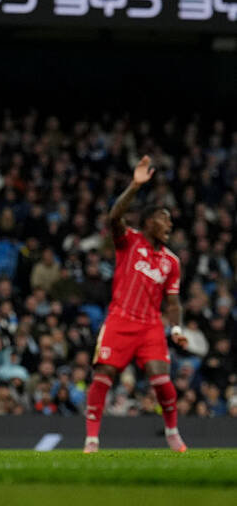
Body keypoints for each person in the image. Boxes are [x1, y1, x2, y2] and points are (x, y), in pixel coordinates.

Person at [84, 155, 188, 453]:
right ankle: (92, 440)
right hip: (119, 319)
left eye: (170, 219)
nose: (169, 223)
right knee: (103, 376)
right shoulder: (129, 241)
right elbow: (114, 217)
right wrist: (134, 185)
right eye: (163, 218)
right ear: (148, 222)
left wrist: (177, 327)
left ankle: (172, 431)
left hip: (150, 325)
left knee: (161, 379)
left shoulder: (172, 261)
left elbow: (173, 301)